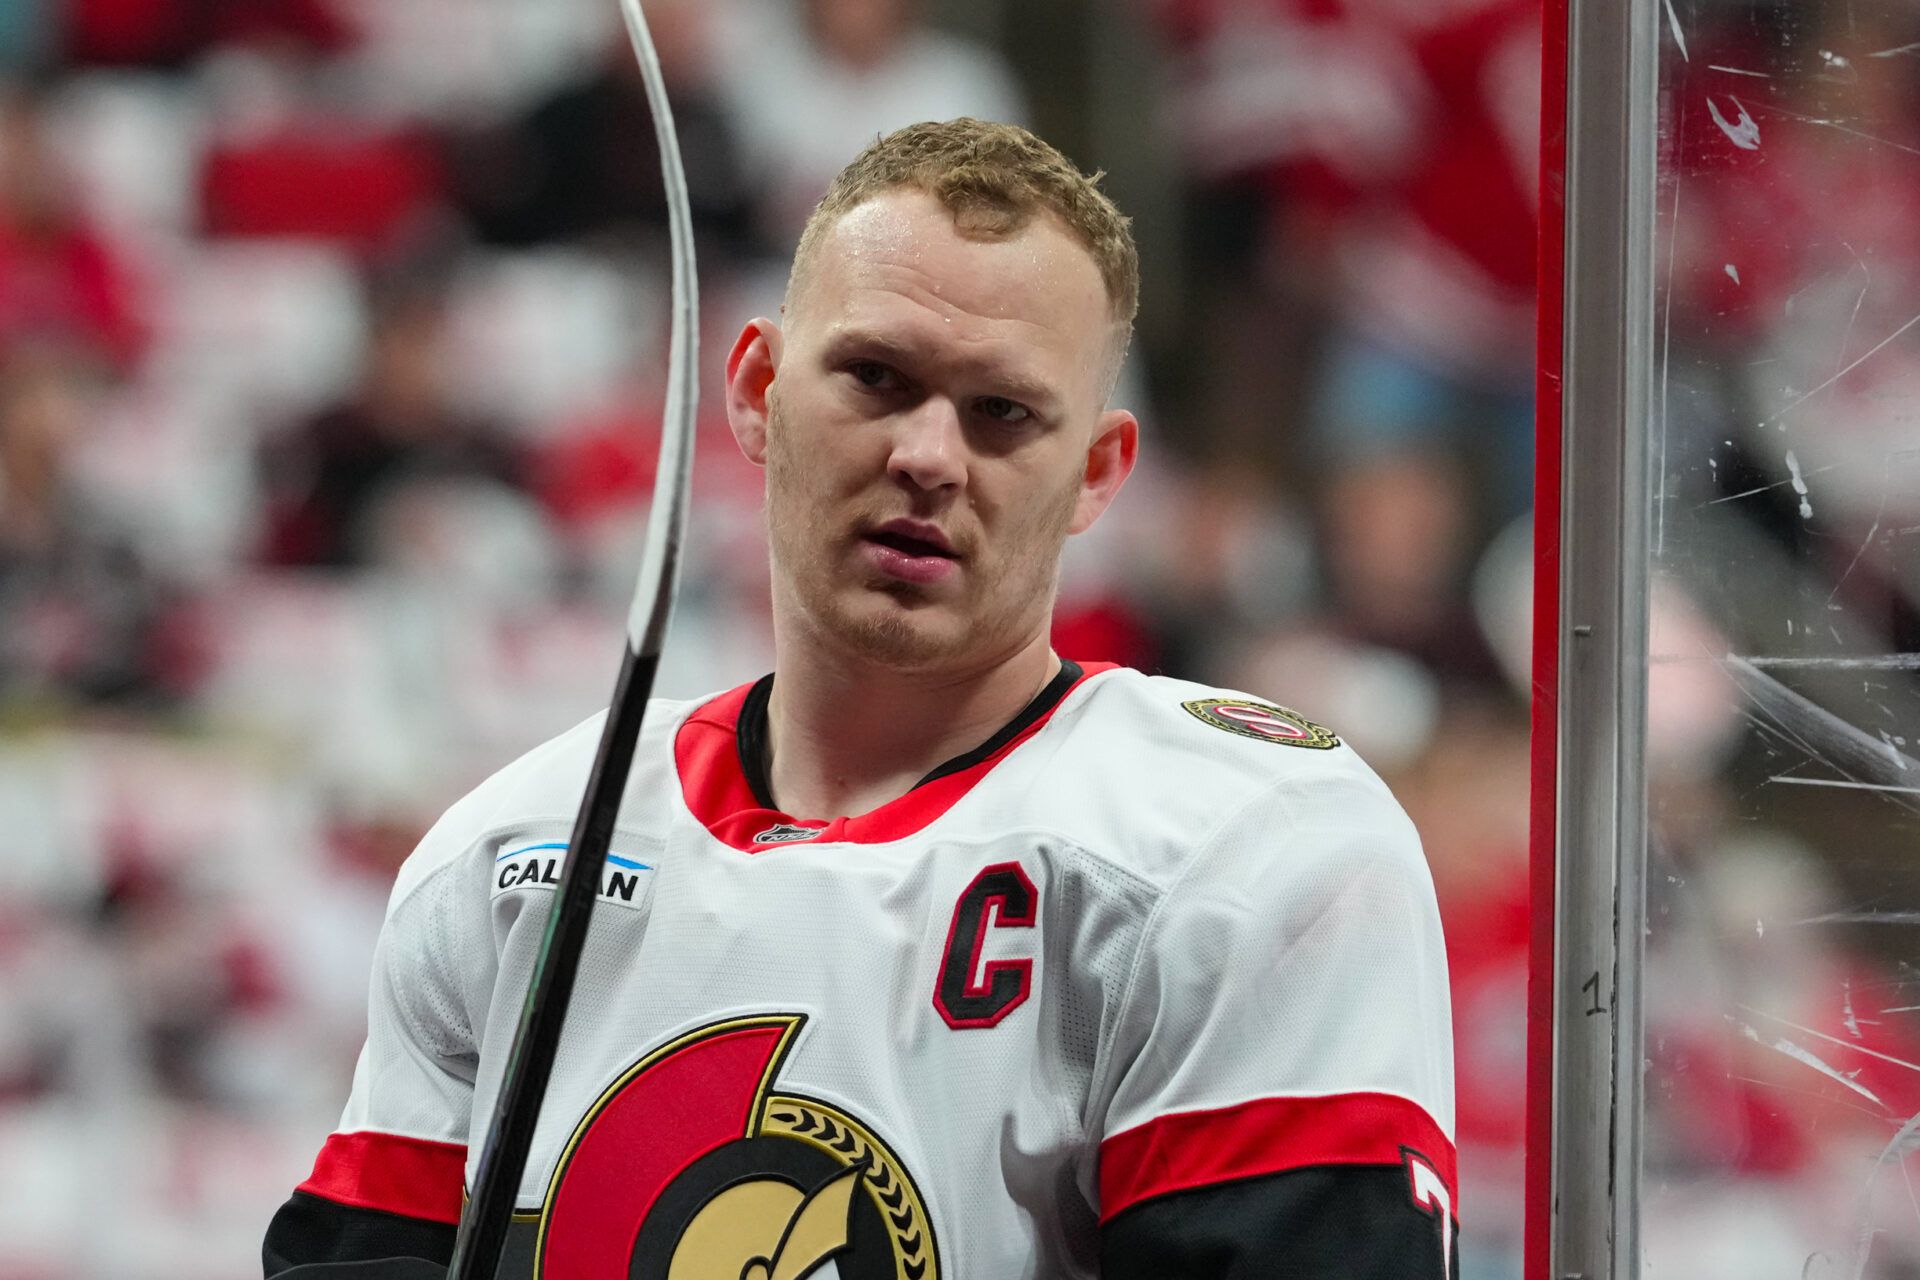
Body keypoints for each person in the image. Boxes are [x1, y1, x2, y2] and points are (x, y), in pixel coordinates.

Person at [262, 118, 1456, 1279]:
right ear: (757, 389)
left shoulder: (1251, 846)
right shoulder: (511, 854)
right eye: (876, 377)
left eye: (1003, 410)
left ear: (1098, 472)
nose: (929, 455)